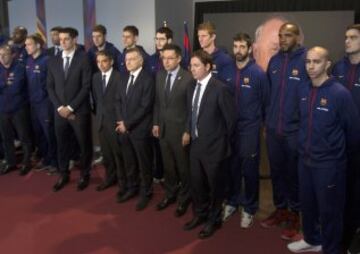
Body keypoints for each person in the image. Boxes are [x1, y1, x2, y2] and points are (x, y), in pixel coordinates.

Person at [288, 46, 360, 254]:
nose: (310, 66)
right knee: (308, 206)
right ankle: (311, 239)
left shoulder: (339, 94)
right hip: (305, 161)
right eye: (308, 61)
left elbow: (353, 133)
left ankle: (331, 249)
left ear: (327, 64)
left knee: (330, 212)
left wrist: (336, 157)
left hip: (329, 165)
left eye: (316, 61)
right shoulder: (303, 89)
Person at [183, 50, 236, 239]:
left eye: (197, 65)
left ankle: (214, 220)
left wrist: (221, 144)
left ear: (208, 67)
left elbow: (231, 121)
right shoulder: (191, 86)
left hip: (215, 149)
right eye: (191, 65)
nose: (192, 69)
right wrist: (188, 130)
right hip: (195, 146)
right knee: (197, 184)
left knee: (215, 187)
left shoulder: (220, 88)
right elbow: (191, 112)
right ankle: (200, 214)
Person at [262, 22, 307, 240]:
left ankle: (295, 216)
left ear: (298, 37)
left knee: (294, 175)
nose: (282, 39)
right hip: (273, 130)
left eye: (287, 35)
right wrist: (266, 123)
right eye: (280, 35)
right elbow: (270, 95)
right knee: (277, 173)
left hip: (294, 132)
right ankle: (280, 209)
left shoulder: (306, 60)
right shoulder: (274, 60)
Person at [222, 33, 269, 228]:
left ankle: (249, 208)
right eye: (235, 46)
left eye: (242, 46)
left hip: (249, 128)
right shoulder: (226, 70)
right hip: (229, 127)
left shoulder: (258, 73)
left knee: (249, 169)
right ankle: (232, 201)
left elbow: (266, 102)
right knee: (231, 166)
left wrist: (262, 126)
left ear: (249, 49)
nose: (238, 50)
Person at [47, 27, 93, 192]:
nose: (63, 42)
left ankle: (85, 174)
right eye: (61, 39)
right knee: (62, 144)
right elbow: (50, 87)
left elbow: (86, 86)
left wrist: (71, 107)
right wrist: (61, 107)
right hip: (59, 112)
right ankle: (63, 174)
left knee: (83, 144)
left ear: (74, 40)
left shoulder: (85, 59)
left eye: (66, 39)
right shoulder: (53, 60)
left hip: (79, 111)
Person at [152, 44, 193, 216]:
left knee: (183, 169)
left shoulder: (189, 77)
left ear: (179, 59)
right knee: (168, 167)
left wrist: (187, 131)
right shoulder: (160, 75)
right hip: (163, 130)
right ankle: (170, 194)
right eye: (164, 58)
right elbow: (158, 103)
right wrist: (155, 123)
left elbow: (192, 108)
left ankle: (184, 199)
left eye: (170, 58)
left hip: (180, 132)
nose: (166, 62)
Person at [332, 24, 360, 251]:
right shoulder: (338, 67)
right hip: (338, 143)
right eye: (346, 37)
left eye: (353, 37)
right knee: (340, 192)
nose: (347, 41)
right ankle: (340, 234)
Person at [115, 47, 154, 211]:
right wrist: (121, 122)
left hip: (140, 129)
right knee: (129, 161)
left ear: (141, 61)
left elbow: (145, 106)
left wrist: (128, 124)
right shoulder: (123, 77)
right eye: (126, 59)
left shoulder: (148, 79)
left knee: (143, 163)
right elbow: (117, 101)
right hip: (124, 128)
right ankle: (132, 188)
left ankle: (146, 192)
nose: (127, 62)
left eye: (131, 59)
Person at [25, 34, 57, 173]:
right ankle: (46, 159)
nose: (27, 47)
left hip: (45, 104)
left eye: (29, 44)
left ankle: (55, 163)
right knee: (38, 134)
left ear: (38, 45)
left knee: (49, 134)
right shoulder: (28, 61)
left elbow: (52, 84)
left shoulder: (47, 60)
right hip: (33, 104)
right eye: (26, 44)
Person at [92, 50, 123, 192]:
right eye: (98, 62)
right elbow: (97, 100)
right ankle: (110, 178)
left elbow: (122, 102)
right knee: (107, 154)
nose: (101, 64)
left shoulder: (119, 77)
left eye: (104, 61)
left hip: (115, 122)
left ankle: (124, 182)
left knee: (118, 154)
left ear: (111, 61)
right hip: (101, 122)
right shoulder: (96, 78)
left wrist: (120, 120)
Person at [0, 44, 32, 175]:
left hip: (19, 109)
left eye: (4, 55)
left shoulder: (20, 68)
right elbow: (8, 86)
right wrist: (5, 84)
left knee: (24, 137)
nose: (1, 58)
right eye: (0, 55)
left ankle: (26, 162)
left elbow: (17, 87)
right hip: (2, 110)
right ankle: (10, 162)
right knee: (6, 138)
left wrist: (3, 86)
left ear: (12, 55)